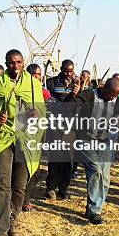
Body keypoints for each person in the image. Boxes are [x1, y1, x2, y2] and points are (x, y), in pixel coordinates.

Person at [0, 49, 45, 236]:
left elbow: (42, 112)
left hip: (25, 138)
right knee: (2, 185)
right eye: (11, 62)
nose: (14, 66)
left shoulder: (33, 84)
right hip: (3, 137)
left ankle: (13, 218)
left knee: (19, 186)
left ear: (23, 63)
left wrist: (35, 114)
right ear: (6, 63)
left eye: (18, 62)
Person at [71, 78, 119, 224]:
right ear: (103, 88)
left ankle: (95, 208)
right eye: (110, 94)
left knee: (104, 177)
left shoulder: (117, 101)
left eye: (115, 95)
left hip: (105, 141)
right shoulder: (89, 95)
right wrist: (73, 94)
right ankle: (93, 211)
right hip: (85, 139)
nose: (111, 97)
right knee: (95, 169)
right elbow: (72, 106)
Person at [44, 59, 80, 201]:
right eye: (66, 71)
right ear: (61, 69)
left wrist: (76, 94)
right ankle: (51, 188)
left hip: (71, 126)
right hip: (56, 125)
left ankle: (63, 188)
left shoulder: (77, 84)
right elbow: (54, 104)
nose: (68, 74)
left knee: (68, 159)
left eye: (71, 71)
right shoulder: (52, 82)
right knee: (55, 159)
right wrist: (71, 96)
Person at [22, 64, 50, 212]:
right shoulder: (19, 91)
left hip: (38, 136)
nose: (35, 77)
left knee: (35, 170)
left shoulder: (45, 94)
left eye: (38, 74)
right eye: (32, 74)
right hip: (22, 136)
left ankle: (26, 200)